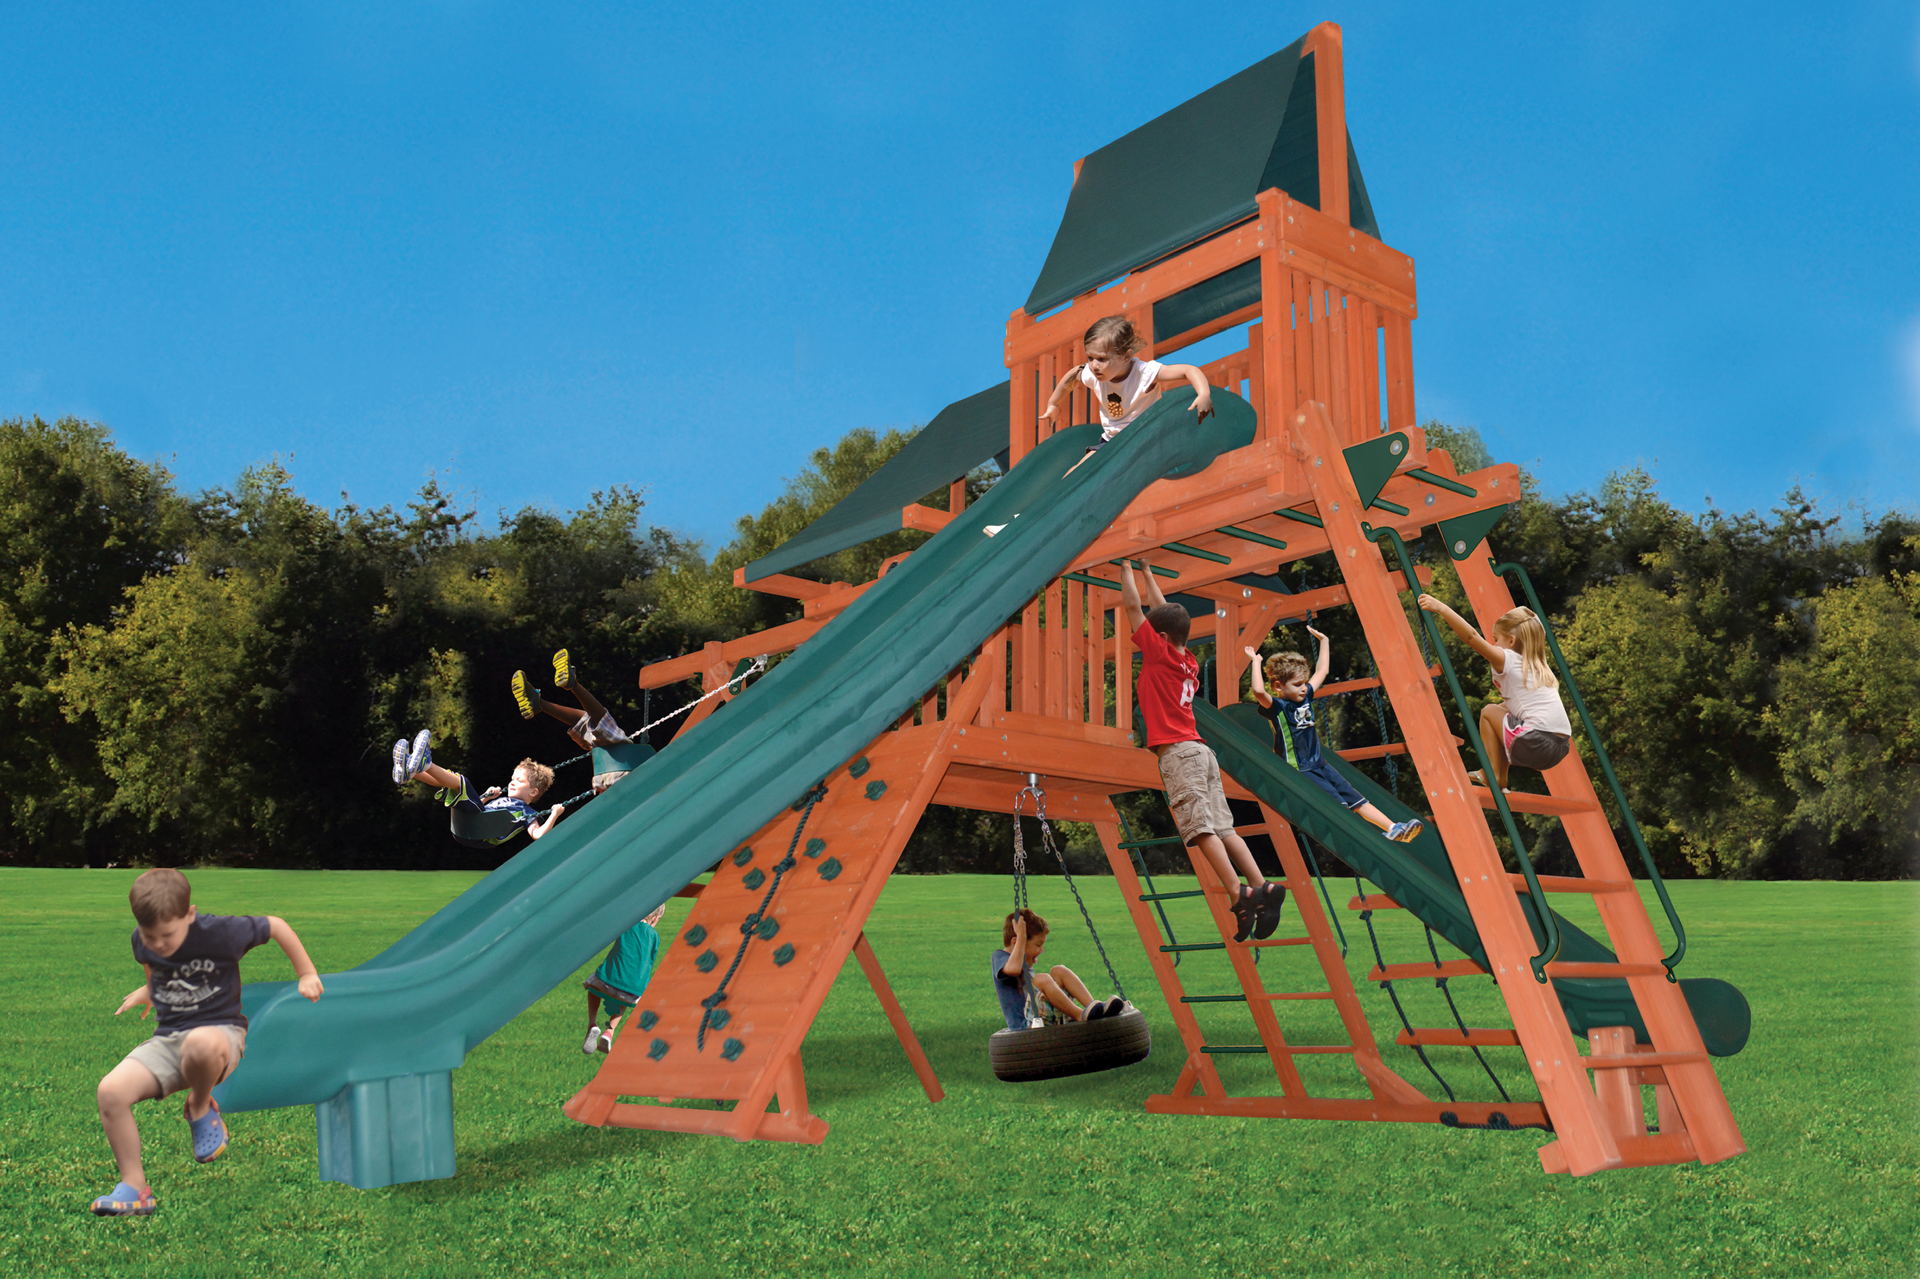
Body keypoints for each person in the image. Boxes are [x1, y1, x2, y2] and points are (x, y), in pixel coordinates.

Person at [91, 867, 324, 1216]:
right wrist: (150, 990)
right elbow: (153, 966)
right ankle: (135, 1189)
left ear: (190, 913)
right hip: (169, 1040)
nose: (158, 944)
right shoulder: (143, 939)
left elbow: (276, 925)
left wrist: (306, 973)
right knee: (110, 1092)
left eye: (166, 935)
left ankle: (200, 1106)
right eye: (149, 935)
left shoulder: (221, 933)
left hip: (220, 1035)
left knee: (199, 1043)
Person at [1120, 557, 1283, 942]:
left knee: (1199, 828)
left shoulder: (1158, 654)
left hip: (1179, 755)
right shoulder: (1186, 659)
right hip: (1202, 754)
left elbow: (1132, 607)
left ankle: (1238, 891)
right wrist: (1147, 571)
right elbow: (1158, 613)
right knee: (1225, 828)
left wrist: (1124, 566)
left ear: (1157, 637)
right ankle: (1262, 887)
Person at [983, 315, 1216, 533]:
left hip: (1145, 440)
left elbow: (1188, 370)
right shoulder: (1092, 374)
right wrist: (1054, 404)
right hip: (1112, 442)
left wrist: (1203, 393)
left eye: (1102, 359)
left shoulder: (1145, 373)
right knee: (1075, 473)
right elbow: (1073, 375)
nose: (1094, 365)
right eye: (1090, 357)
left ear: (1125, 356)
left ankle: (1057, 517)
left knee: (1100, 479)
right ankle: (1022, 522)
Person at [1246, 632, 1423, 843]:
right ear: (1278, 686)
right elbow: (1258, 690)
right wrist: (1256, 662)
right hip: (1298, 768)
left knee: (1356, 799)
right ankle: (1365, 840)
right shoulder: (1278, 707)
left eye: (1304, 683)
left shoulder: (1305, 697)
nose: (1304, 687)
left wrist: (1325, 641)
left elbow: (1322, 670)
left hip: (1319, 763)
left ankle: (1393, 828)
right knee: (1339, 805)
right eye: (1297, 684)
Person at [1416, 596, 1573, 789]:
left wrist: (1441, 608)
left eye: (1496, 639)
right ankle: (1498, 777)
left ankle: (1492, 773)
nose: (1494, 645)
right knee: (1501, 711)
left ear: (1511, 640)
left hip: (1536, 741)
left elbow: (1471, 637)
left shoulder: (1508, 658)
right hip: (1560, 747)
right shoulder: (1538, 668)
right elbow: (1519, 707)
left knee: (1489, 712)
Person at [391, 730, 566, 848]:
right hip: (467, 825)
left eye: (519, 781)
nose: (512, 782)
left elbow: (538, 835)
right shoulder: (503, 800)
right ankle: (411, 772)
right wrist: (487, 797)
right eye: (513, 778)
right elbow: (478, 807)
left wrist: (554, 814)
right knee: (450, 780)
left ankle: (426, 764)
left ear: (533, 792)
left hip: (480, 832)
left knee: (461, 783)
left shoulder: (528, 812)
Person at [513, 648, 641, 794]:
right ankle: (555, 694)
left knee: (602, 728)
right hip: (625, 771)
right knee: (599, 729)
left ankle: (547, 699)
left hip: (607, 777)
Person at [993, 908, 1124, 1030]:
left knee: (1059, 971)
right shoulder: (999, 957)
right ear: (1016, 943)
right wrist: (1021, 935)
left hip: (1044, 1015)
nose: (1042, 950)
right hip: (1026, 1026)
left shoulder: (1024, 961)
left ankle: (1095, 1008)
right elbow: (1014, 969)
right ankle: (1079, 1015)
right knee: (1041, 978)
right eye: (1038, 945)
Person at [582, 903, 666, 1054]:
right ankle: (610, 1032)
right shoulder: (655, 937)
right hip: (633, 992)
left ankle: (592, 1023)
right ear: (656, 919)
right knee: (626, 994)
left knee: (593, 985)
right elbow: (650, 960)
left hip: (605, 982)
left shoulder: (627, 924)